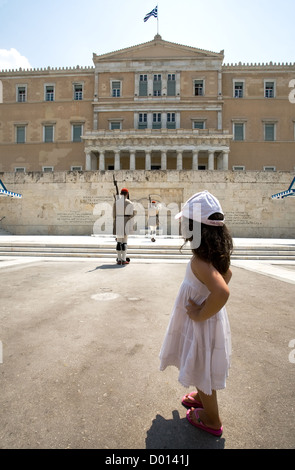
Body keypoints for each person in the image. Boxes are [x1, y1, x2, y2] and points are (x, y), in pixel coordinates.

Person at [159, 191, 233, 437]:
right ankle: (202, 396)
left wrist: (201, 313)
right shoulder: (211, 257)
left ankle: (212, 419)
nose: (181, 226)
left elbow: (222, 292)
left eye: (184, 222)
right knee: (200, 361)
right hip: (205, 323)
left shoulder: (199, 261)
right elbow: (227, 277)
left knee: (203, 366)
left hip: (201, 323)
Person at [113, 187, 134, 265]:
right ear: (127, 194)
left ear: (121, 194)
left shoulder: (116, 203)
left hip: (118, 221)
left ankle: (119, 259)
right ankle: (124, 259)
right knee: (124, 242)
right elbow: (132, 215)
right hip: (126, 222)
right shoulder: (130, 203)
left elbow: (114, 215)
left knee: (119, 242)